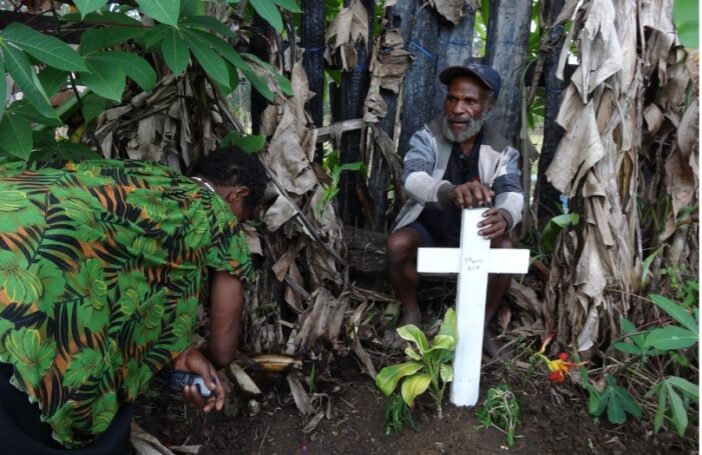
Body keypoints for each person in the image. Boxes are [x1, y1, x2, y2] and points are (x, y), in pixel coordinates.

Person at [0, 146, 268, 452]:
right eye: (245, 216)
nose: (239, 224)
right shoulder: (216, 214)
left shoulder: (142, 174)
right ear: (238, 194)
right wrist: (211, 360)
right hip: (22, 301)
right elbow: (223, 347)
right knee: (90, 401)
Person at [386, 64, 524, 356]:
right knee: (397, 245)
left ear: (489, 105)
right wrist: (448, 192)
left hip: (476, 235)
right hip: (430, 229)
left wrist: (505, 215)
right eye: (452, 98)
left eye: (470, 101)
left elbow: (512, 193)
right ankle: (412, 313)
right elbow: (412, 177)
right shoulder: (427, 137)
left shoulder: (502, 150)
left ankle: (482, 325)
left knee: (505, 250)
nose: (457, 109)